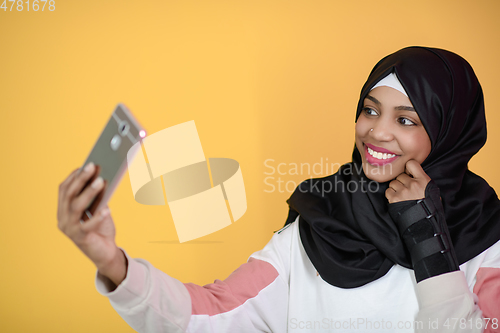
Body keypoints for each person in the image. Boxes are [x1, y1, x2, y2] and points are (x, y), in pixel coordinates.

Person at [58, 46, 500, 333]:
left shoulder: (487, 241)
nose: (376, 133)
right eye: (369, 110)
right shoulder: (321, 221)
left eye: (405, 120)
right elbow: (212, 315)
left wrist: (426, 234)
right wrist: (112, 262)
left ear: (447, 135)